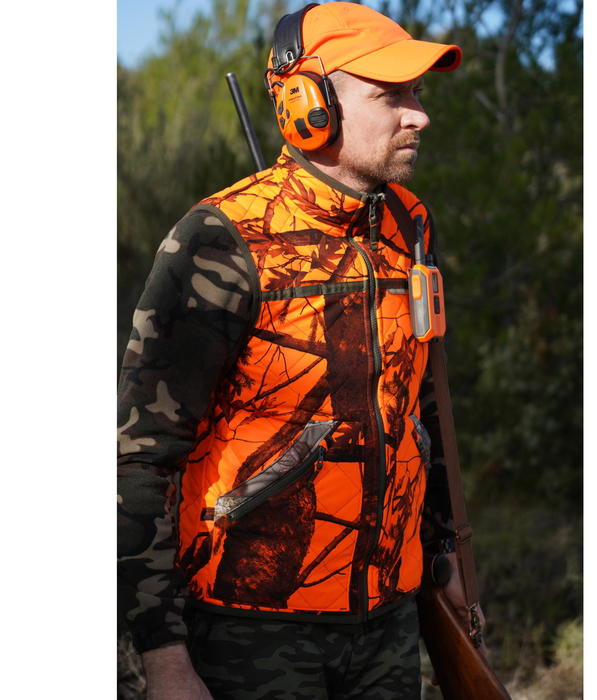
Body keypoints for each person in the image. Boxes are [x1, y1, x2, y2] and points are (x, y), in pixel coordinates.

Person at [118, 3, 480, 698]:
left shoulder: (410, 225)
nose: (419, 115)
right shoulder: (221, 239)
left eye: (416, 93)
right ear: (308, 106)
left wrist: (446, 553)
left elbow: (422, 407)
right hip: (250, 631)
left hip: (391, 622)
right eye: (390, 96)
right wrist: (164, 655)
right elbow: (140, 458)